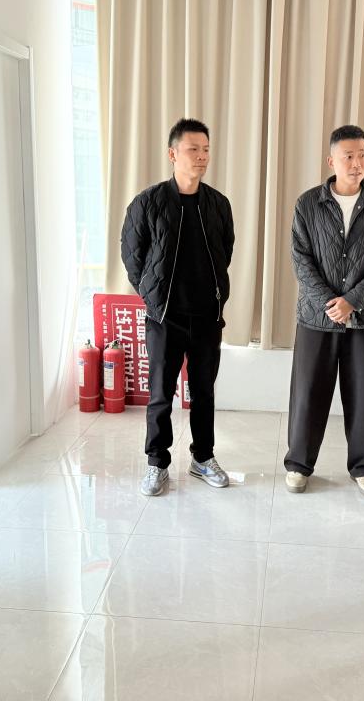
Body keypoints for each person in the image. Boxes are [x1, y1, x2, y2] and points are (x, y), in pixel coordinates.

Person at [120, 118, 235, 497]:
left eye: (206, 150)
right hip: (164, 317)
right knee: (160, 394)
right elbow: (132, 255)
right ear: (173, 154)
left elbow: (225, 250)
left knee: (204, 392)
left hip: (207, 317)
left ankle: (203, 458)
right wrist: (153, 297)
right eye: (193, 149)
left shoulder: (217, 204)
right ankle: (157, 463)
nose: (202, 157)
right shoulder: (148, 202)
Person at [284, 125, 364, 497]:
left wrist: (352, 301)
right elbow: (301, 261)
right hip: (315, 317)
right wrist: (330, 304)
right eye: (348, 156)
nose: (357, 163)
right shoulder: (307, 204)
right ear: (331, 160)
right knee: (308, 394)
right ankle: (299, 464)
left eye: (362, 155)